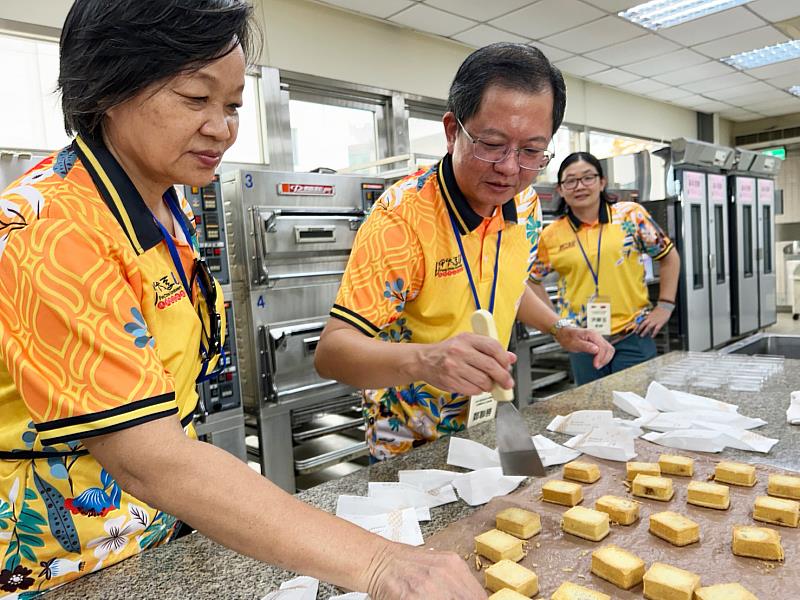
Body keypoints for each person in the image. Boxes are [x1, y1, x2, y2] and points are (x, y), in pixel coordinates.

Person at [0, 2, 486, 598]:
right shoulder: (50, 229)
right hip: (56, 565)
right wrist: (380, 563)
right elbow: (147, 457)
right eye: (194, 97)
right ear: (106, 86)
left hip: (143, 536)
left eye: (231, 106)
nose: (222, 128)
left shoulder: (161, 203)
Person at [315, 43, 614, 462]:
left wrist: (559, 326)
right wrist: (427, 360)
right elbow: (332, 353)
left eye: (531, 151)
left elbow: (507, 283)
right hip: (409, 438)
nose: (510, 168)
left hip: (492, 414)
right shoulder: (400, 218)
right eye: (492, 144)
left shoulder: (525, 204)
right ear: (453, 130)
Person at [529, 152, 681, 385]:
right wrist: (557, 324)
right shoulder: (551, 235)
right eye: (570, 181)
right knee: (593, 412)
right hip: (584, 341)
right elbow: (531, 280)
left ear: (602, 182)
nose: (579, 186)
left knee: (638, 410)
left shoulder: (630, 216)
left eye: (588, 178)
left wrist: (665, 306)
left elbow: (669, 256)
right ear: (560, 190)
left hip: (633, 335)